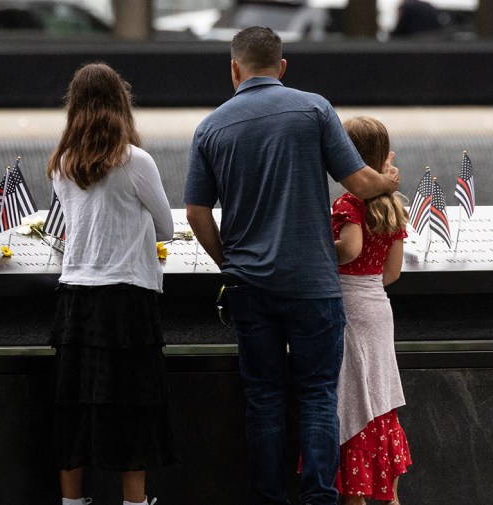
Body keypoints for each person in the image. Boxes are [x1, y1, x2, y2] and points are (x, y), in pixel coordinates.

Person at [184, 26, 400, 505]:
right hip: (313, 286)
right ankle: (319, 497)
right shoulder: (314, 109)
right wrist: (387, 181)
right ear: (282, 68)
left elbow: (197, 213)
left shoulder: (211, 127)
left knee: (263, 400)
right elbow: (360, 184)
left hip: (249, 286)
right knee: (318, 397)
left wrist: (230, 263)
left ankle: (268, 498)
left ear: (234, 70)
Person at [46, 62, 176, 505]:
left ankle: (72, 501)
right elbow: (166, 227)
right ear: (121, 104)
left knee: (73, 406)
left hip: (75, 300)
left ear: (75, 106)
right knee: (132, 404)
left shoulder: (62, 163)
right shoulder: (136, 161)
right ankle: (135, 502)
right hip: (127, 299)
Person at [331, 117, 412, 505]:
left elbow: (350, 249)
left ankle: (356, 494)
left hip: (350, 309)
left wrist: (315, 249)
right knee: (378, 398)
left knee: (352, 401)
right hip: (379, 308)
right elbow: (392, 273)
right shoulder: (393, 207)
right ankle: (388, 493)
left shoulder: (349, 203)